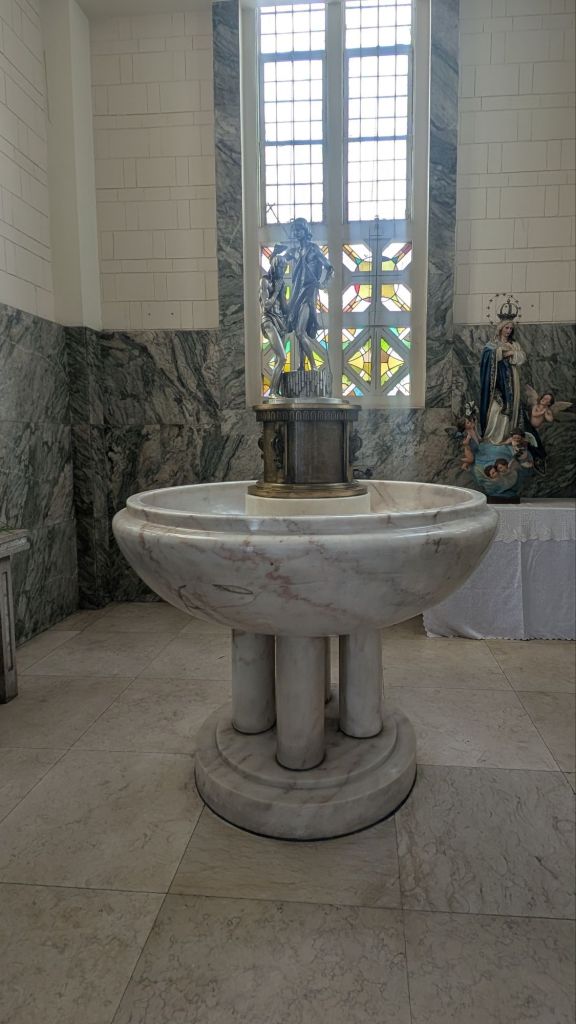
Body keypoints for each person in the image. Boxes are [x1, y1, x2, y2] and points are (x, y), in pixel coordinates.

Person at [285, 218, 334, 371]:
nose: (296, 232)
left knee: (300, 331)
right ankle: (302, 366)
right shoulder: (294, 252)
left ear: (305, 231)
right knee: (299, 331)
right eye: (294, 230)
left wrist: (323, 283)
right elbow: (279, 260)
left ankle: (313, 366)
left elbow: (329, 267)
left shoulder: (313, 249)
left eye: (299, 229)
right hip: (297, 292)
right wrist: (278, 254)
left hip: (309, 292)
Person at [479, 320, 526, 444]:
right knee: (496, 407)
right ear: (500, 328)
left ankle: (506, 435)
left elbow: (521, 357)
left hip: (511, 379)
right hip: (496, 380)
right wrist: (501, 353)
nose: (509, 331)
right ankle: (492, 436)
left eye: (511, 328)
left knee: (510, 405)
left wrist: (512, 352)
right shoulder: (492, 344)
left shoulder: (514, 344)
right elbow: (486, 356)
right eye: (506, 328)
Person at [260, 245, 289, 395]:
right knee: (282, 357)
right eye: (281, 268)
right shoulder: (265, 281)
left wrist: (284, 294)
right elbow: (265, 306)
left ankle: (275, 391)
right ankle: (272, 392)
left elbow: (284, 308)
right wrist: (277, 291)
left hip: (280, 322)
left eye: (285, 269)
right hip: (269, 321)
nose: (283, 271)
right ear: (275, 266)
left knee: (279, 360)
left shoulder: (281, 283)